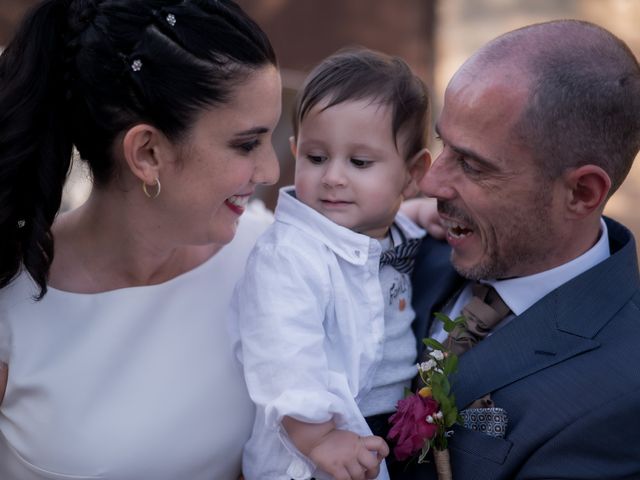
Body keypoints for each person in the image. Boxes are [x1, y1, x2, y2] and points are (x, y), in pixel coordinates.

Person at [0, 1, 282, 479]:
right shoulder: (11, 302)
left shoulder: (271, 259)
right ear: (147, 152)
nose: (272, 170)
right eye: (246, 144)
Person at [398, 19, 640, 479]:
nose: (430, 181)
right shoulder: (410, 254)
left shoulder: (627, 392)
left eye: (471, 165)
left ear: (582, 193)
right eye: (442, 144)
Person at [229, 48, 432, 480]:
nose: (334, 177)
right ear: (295, 151)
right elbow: (282, 354)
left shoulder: (389, 232)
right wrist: (318, 437)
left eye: (359, 163)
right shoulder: (289, 257)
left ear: (413, 174)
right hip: (312, 447)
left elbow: (384, 228)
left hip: (383, 427)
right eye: (316, 158)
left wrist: (417, 213)